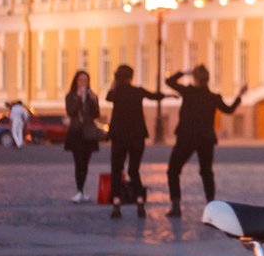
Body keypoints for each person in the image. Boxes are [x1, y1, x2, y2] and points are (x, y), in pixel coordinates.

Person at [165, 65, 246, 218]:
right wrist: (240, 94)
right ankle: (211, 207)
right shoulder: (213, 97)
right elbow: (229, 110)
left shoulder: (188, 92)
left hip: (186, 138)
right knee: (206, 173)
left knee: (173, 170)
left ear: (194, 78)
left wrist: (183, 72)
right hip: (205, 139)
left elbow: (169, 82)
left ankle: (176, 206)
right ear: (208, 80)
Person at [106, 65, 162, 219]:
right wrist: (170, 96)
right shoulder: (138, 91)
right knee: (133, 170)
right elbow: (155, 96)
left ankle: (116, 203)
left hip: (119, 137)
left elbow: (108, 97)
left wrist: (114, 83)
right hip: (137, 137)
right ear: (131, 77)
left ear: (117, 78)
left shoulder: (115, 92)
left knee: (117, 170)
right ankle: (139, 202)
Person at [64, 71, 101, 203]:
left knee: (85, 163)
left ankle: (82, 190)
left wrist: (94, 100)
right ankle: (79, 191)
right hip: (76, 133)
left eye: (85, 80)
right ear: (76, 81)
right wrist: (79, 98)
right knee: (78, 162)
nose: (83, 83)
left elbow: (96, 114)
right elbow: (71, 112)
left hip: (89, 134)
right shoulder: (70, 96)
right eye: (81, 80)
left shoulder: (91, 95)